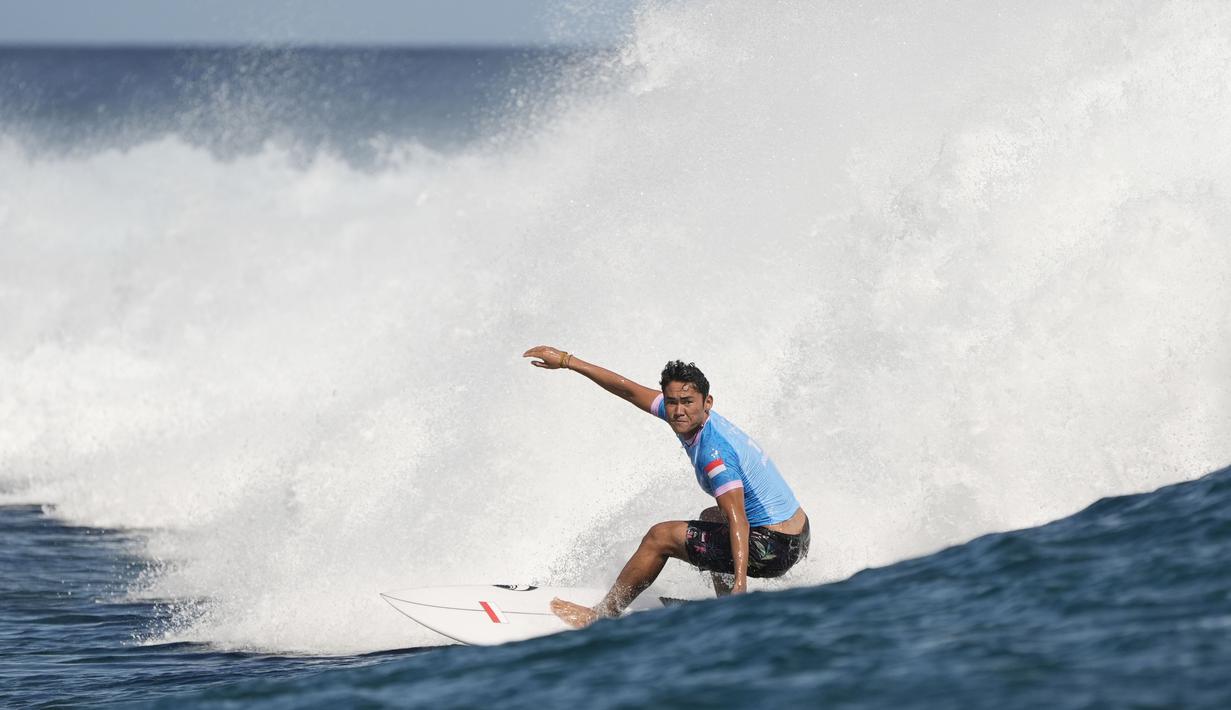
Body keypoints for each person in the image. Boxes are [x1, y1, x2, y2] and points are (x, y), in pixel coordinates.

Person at [522, 345, 810, 628]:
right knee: (710, 517)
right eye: (672, 402)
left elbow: (738, 519)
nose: (678, 410)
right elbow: (628, 390)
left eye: (687, 401)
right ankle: (727, 609)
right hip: (798, 533)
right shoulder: (692, 418)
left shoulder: (715, 455)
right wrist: (567, 360)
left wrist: (740, 584)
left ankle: (601, 616)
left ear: (707, 402)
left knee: (660, 537)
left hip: (775, 547)